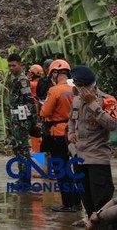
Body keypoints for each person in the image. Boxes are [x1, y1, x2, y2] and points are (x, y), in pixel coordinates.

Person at [68, 65, 117, 227]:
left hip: (97, 160)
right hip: (79, 159)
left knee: (102, 206)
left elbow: (112, 124)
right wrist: (70, 135)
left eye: (78, 84)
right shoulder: (75, 100)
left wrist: (92, 104)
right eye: (74, 83)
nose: (76, 87)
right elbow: (72, 121)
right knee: (87, 202)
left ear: (87, 85)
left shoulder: (107, 101)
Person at [39, 60, 80, 213]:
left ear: (55, 74)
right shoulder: (76, 89)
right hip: (75, 132)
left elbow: (45, 112)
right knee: (74, 168)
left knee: (61, 169)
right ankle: (77, 201)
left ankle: (68, 204)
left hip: (58, 133)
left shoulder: (54, 91)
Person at [6, 53, 38, 186]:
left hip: (22, 119)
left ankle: (25, 178)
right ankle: (22, 177)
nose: (11, 68)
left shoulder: (22, 80)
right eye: (9, 66)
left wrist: (31, 121)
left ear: (20, 65)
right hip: (16, 118)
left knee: (23, 149)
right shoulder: (15, 79)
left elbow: (29, 101)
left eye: (14, 65)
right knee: (18, 148)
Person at [28, 64, 45, 155]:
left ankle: (36, 150)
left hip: (33, 108)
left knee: (33, 130)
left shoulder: (31, 84)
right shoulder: (42, 83)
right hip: (40, 108)